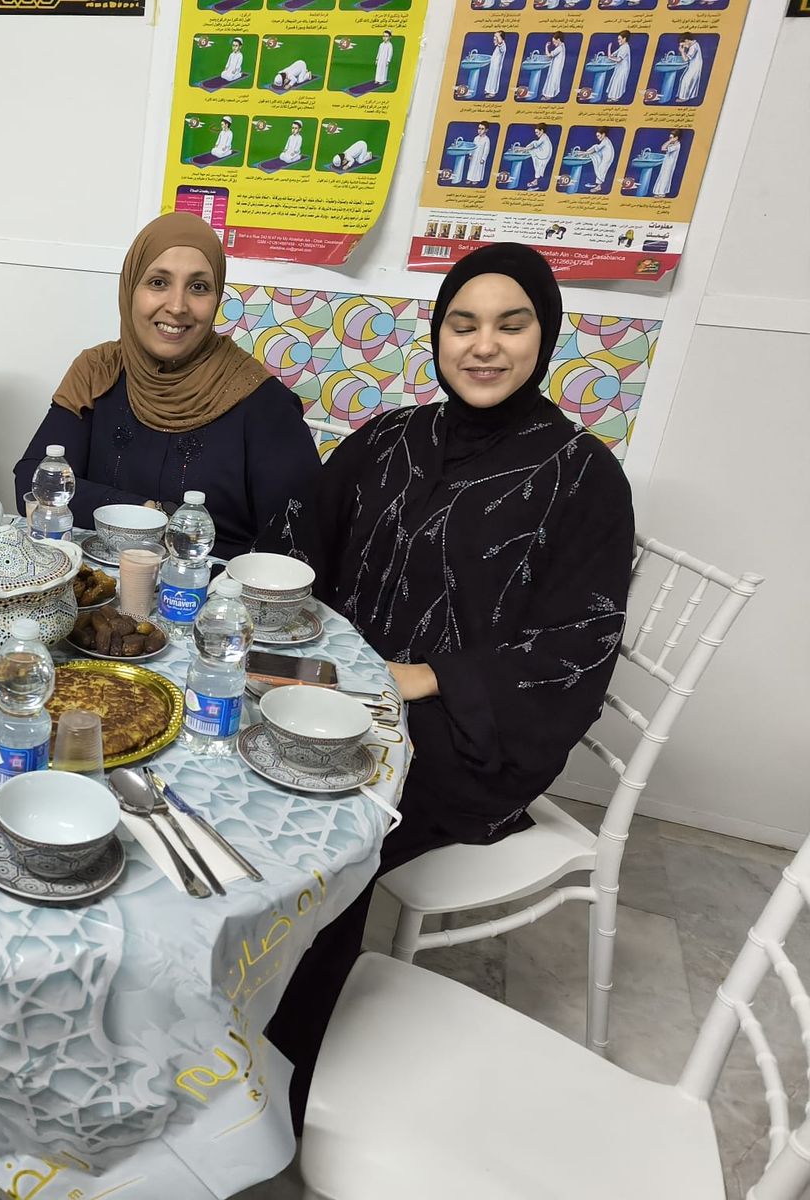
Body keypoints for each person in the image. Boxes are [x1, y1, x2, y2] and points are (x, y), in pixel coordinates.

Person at [268, 241, 635, 1134]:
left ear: (543, 338)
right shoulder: (393, 437)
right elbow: (301, 535)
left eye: (511, 326)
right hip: (352, 691)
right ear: (437, 334)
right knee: (233, 748)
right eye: (464, 324)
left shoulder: (584, 476)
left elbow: (575, 648)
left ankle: (283, 1069)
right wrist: (273, 611)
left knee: (320, 821)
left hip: (469, 733)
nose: (484, 346)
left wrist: (428, 677)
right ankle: (206, 1008)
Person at [12, 213, 319, 560]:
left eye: (199, 287)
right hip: (96, 587)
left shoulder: (262, 403)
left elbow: (297, 536)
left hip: (209, 595)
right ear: (130, 289)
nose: (177, 306)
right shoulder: (98, 372)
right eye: (158, 282)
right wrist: (152, 512)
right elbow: (35, 482)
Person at [523, 123, 554, 189]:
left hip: (544, 154)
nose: (536, 134)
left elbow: (535, 145)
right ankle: (536, 180)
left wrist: (523, 149)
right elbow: (535, 144)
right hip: (543, 153)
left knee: (534, 156)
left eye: (537, 132)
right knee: (533, 144)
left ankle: (536, 181)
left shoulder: (543, 137)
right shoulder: (544, 137)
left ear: (542, 131)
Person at [653, 130, 682, 197]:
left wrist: (669, 141)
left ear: (676, 138)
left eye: (671, 137)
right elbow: (663, 147)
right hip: (666, 163)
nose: (670, 139)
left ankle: (661, 193)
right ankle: (659, 192)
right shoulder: (673, 144)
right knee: (662, 177)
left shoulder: (676, 145)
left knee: (665, 178)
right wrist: (670, 140)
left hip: (669, 165)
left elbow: (663, 148)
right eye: (669, 138)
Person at [605, 31, 632, 102]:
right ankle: (613, 97)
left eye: (619, 39)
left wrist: (610, 57)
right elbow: (611, 55)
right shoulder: (622, 47)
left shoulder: (625, 47)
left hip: (623, 68)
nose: (618, 41)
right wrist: (609, 48)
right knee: (615, 81)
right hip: (619, 68)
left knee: (618, 82)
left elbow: (618, 59)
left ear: (624, 39)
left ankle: (615, 98)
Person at [676, 35, 704, 102]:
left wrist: (682, 51)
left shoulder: (693, 47)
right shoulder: (694, 44)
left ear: (686, 40)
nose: (685, 47)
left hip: (694, 66)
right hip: (695, 65)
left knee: (685, 81)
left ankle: (684, 98)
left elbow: (686, 59)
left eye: (683, 45)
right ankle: (690, 95)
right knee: (691, 80)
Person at [542, 33, 567, 101]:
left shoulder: (559, 48)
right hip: (557, 67)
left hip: (556, 68)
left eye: (554, 41)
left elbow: (549, 55)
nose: (553, 43)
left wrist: (546, 46)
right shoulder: (562, 46)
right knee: (554, 81)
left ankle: (549, 96)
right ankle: (552, 94)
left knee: (552, 81)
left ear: (558, 39)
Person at [484, 32, 508, 96]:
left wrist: (498, 36)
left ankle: (492, 92)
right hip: (493, 66)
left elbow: (500, 42)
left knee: (494, 79)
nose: (494, 38)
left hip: (496, 67)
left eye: (496, 37)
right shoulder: (497, 47)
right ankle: (488, 89)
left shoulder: (502, 45)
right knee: (490, 77)